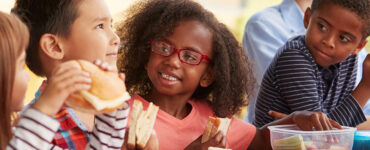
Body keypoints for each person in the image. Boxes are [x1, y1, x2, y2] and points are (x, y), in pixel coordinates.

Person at [116, 0, 342, 149]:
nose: (172, 60)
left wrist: (294, 120)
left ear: (208, 75)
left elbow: (260, 142)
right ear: (147, 54)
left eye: (190, 56)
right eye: (164, 48)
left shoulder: (214, 120)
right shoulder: (120, 119)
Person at [0, 11, 128, 150]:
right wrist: (44, 108)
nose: (28, 76)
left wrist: (112, 104)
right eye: (20, 65)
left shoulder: (17, 135)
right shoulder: (28, 135)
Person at [242, 0, 370, 123]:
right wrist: (365, 87)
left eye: (343, 38)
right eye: (322, 27)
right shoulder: (293, 58)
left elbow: (333, 127)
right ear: (307, 18)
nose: (329, 42)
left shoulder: (348, 59)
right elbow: (323, 134)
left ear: (358, 47)